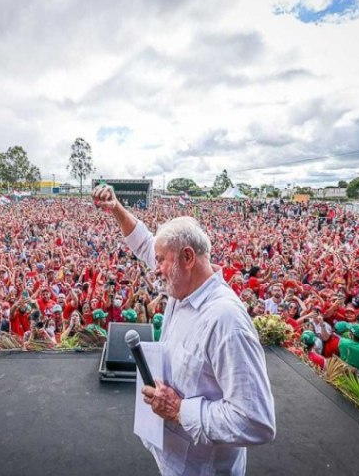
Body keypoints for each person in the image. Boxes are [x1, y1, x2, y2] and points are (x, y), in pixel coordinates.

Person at [93, 184, 275, 476]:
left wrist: (179, 410)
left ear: (188, 258)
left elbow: (255, 421)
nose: (156, 268)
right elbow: (143, 243)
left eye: (162, 260)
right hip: (175, 461)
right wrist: (116, 208)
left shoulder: (225, 320)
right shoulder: (184, 284)